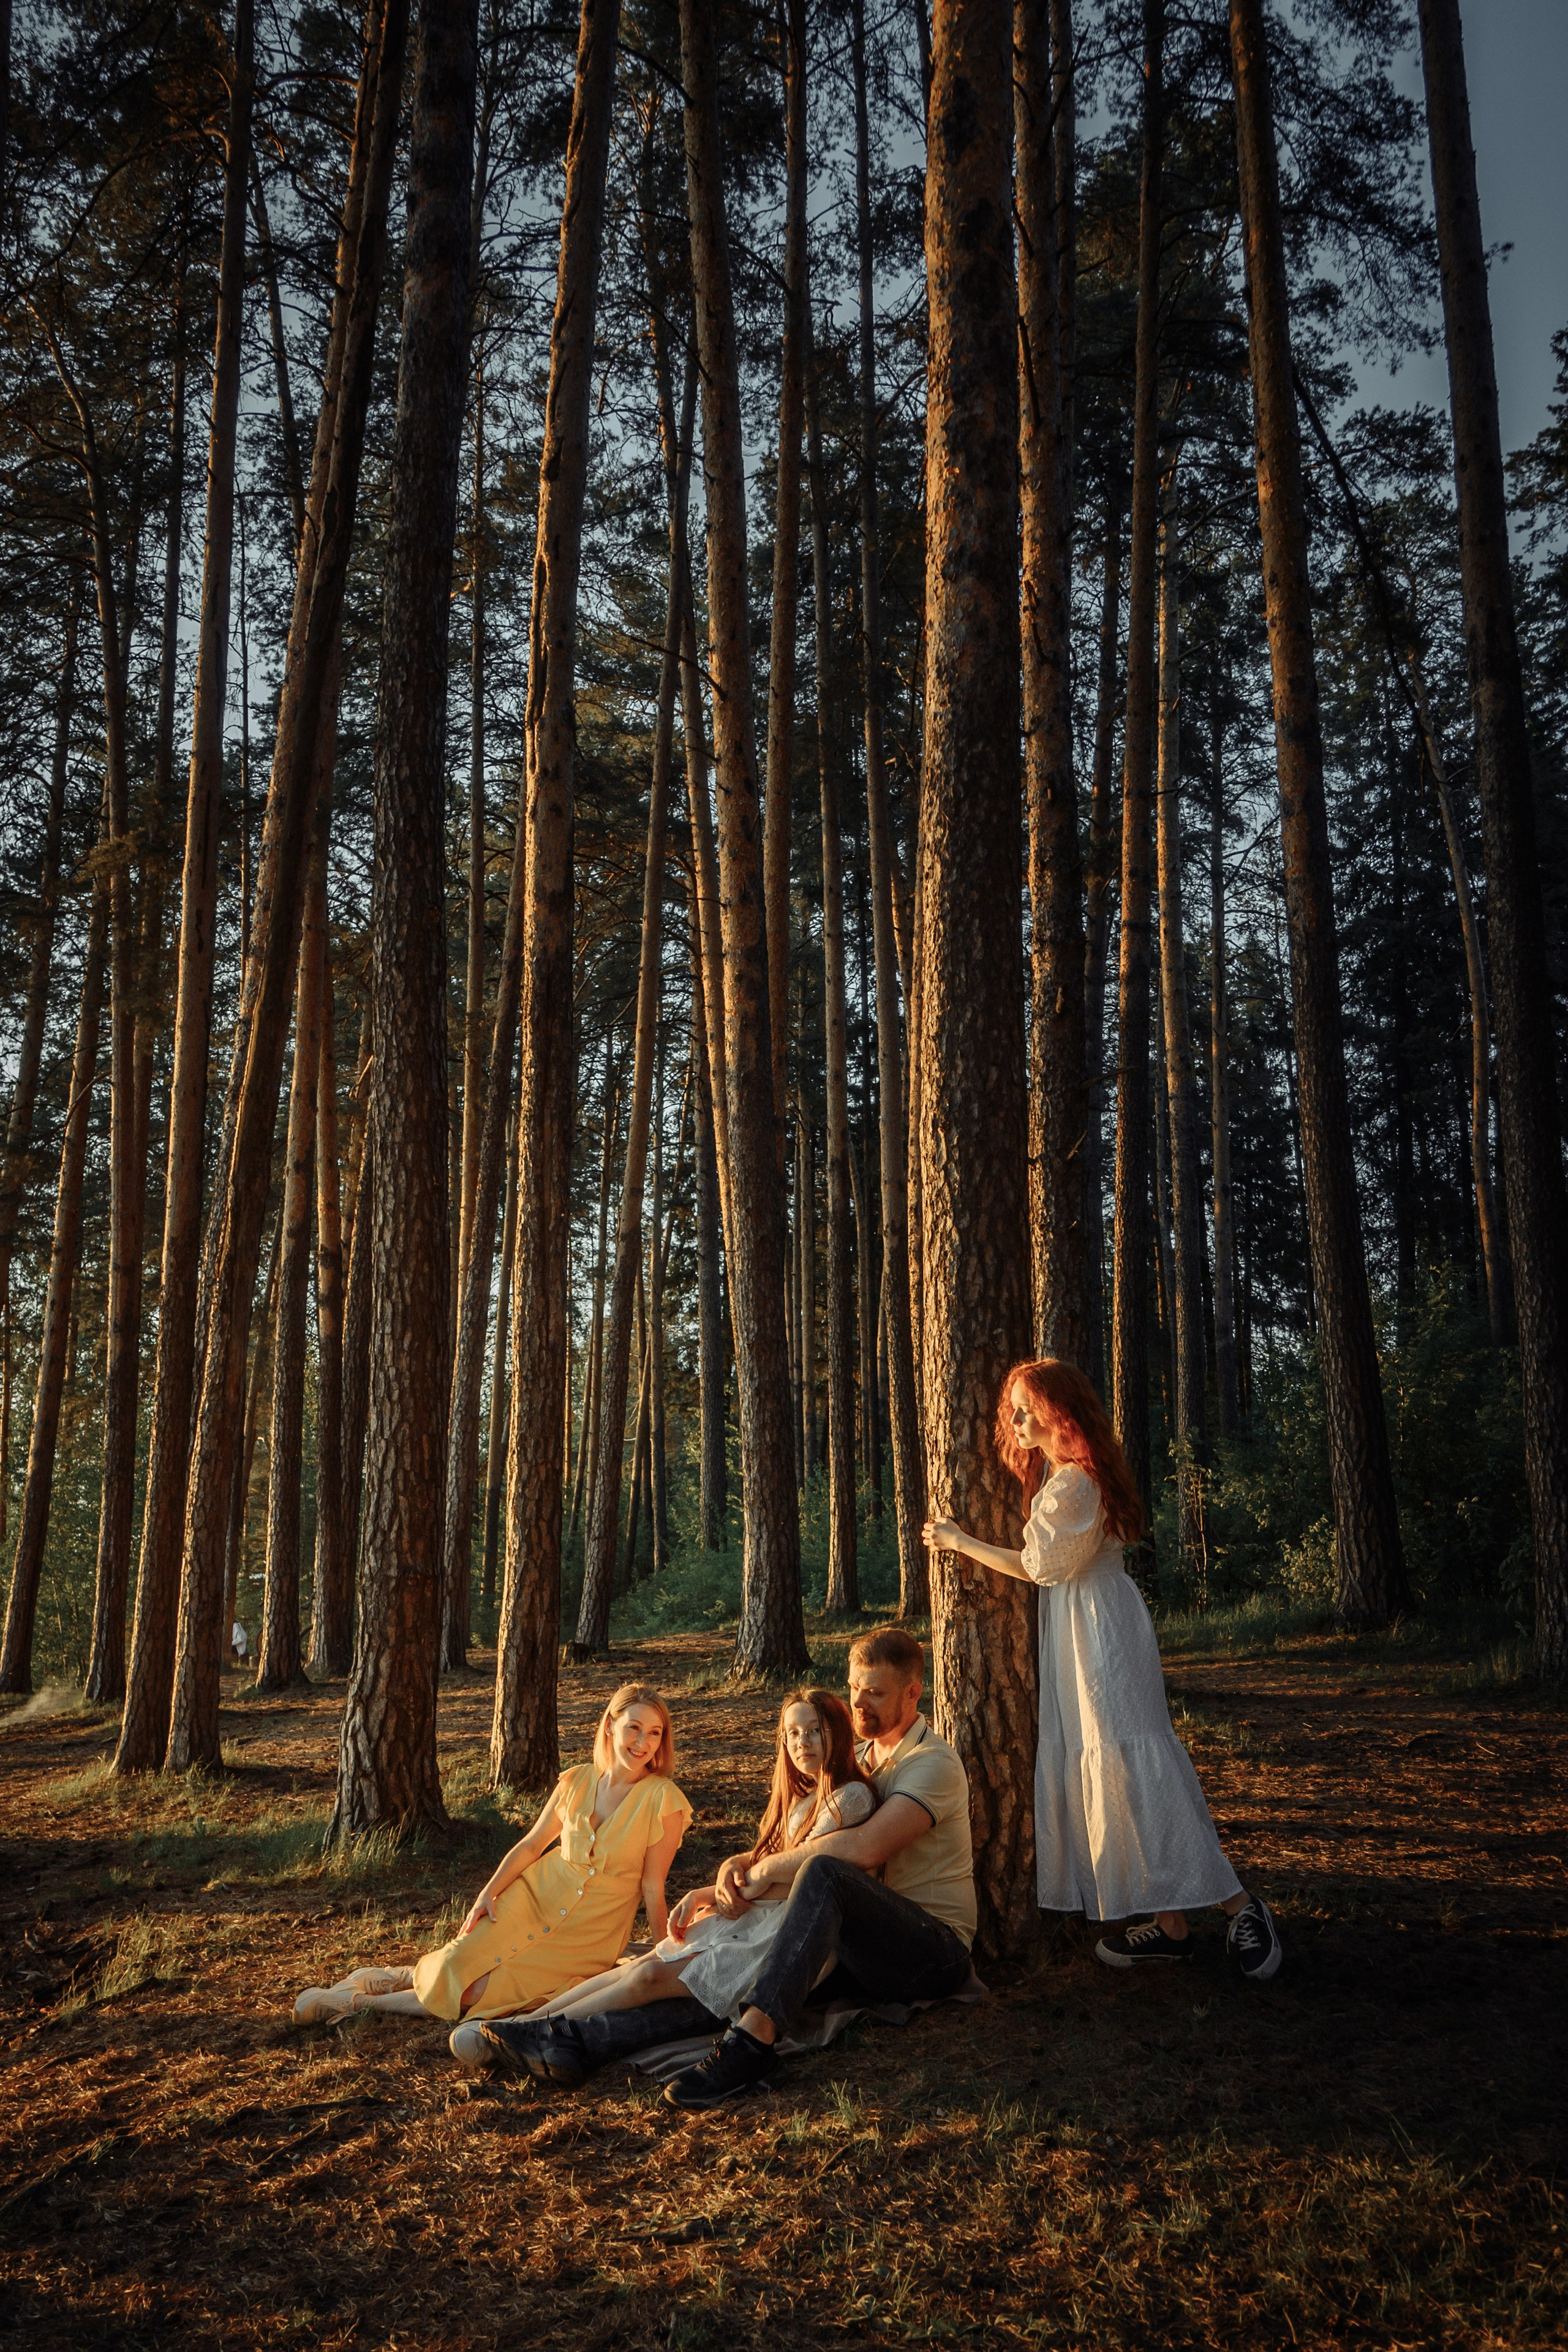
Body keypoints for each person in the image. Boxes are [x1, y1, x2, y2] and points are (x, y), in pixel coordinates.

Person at [923, 1357, 1282, 1980]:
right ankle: (1169, 1925)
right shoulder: (1067, 1476)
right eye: (1012, 1407)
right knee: (1111, 1767)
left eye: (1025, 1407)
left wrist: (960, 1542)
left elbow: (1040, 1568)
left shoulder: (1073, 1483)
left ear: (1059, 1411)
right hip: (1079, 1626)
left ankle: (1240, 1906)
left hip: (1100, 1633)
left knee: (1134, 1767)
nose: (1013, 1419)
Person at [451, 1688, 875, 2075]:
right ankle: (517, 2026)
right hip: (749, 1918)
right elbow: (767, 1858)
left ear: (838, 1732)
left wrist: (715, 1891)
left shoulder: (849, 1799)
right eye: (793, 1733)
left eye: (815, 1731)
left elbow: (808, 1879)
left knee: (646, 1977)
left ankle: (537, 2029)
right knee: (641, 1966)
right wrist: (732, 1868)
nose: (803, 1743)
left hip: (780, 1937)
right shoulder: (802, 1795)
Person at [291, 1684, 690, 2025]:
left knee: (481, 1994)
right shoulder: (578, 1779)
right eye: (634, 1728)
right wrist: (489, 1893)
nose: (643, 1743)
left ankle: (358, 2003)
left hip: (591, 1932)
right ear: (609, 1725)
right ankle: (404, 1975)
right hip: (536, 1895)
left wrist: (661, 1959)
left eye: (654, 1734)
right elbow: (534, 1844)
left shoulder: (663, 1800)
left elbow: (652, 1886)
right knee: (459, 1962)